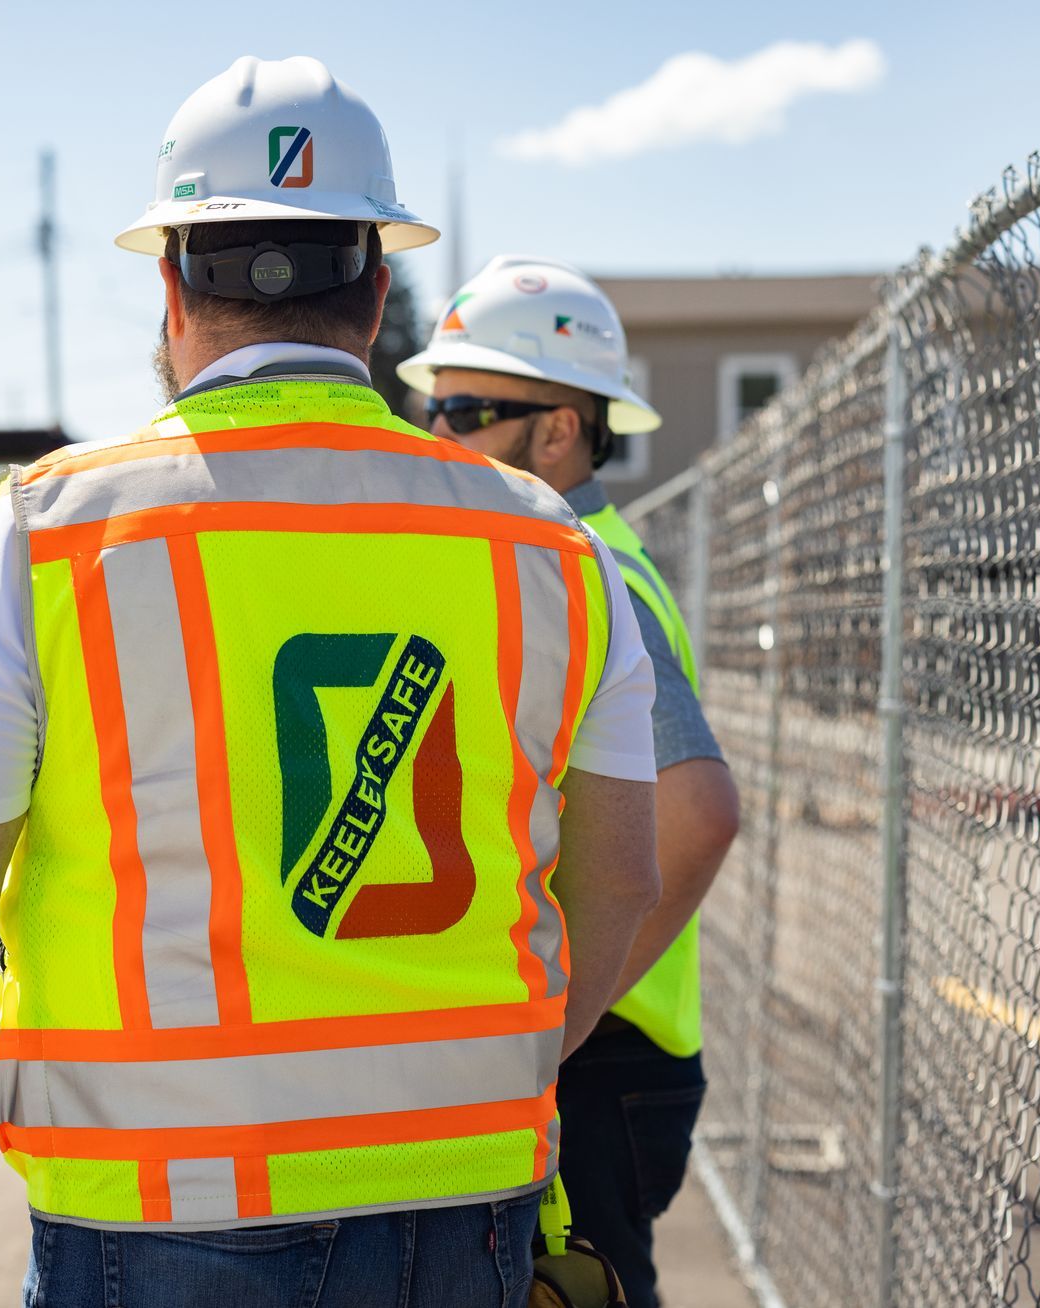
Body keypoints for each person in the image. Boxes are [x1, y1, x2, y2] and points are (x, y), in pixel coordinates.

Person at [0, 60, 663, 1308]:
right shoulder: (552, 548)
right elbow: (619, 881)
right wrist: (485, 1071)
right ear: (379, 286)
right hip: (466, 1203)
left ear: (173, 281)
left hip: (157, 1210)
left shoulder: (49, 533)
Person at [399, 256, 742, 1308]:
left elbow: (697, 816)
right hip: (602, 1042)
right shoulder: (556, 558)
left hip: (593, 1055)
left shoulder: (581, 562)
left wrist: (552, 1030)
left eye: (463, 409)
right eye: (430, 407)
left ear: (557, 431)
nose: (433, 435)